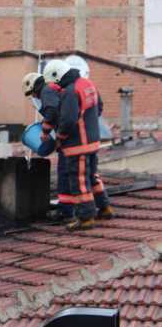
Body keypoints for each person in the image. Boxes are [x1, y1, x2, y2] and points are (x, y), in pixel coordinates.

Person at [42, 60, 114, 231]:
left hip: (77, 144)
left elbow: (67, 120)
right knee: (91, 176)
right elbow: (99, 108)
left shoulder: (70, 91)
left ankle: (86, 217)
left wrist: (60, 137)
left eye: (54, 82)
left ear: (57, 76)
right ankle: (104, 207)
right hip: (92, 141)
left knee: (79, 180)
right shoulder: (88, 84)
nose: (55, 86)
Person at [22, 72, 73, 222]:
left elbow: (52, 111)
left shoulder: (47, 90)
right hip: (69, 137)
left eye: (32, 93)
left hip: (69, 140)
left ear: (34, 87)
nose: (35, 97)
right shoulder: (52, 90)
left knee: (64, 173)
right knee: (73, 172)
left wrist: (45, 131)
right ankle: (77, 208)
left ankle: (66, 211)